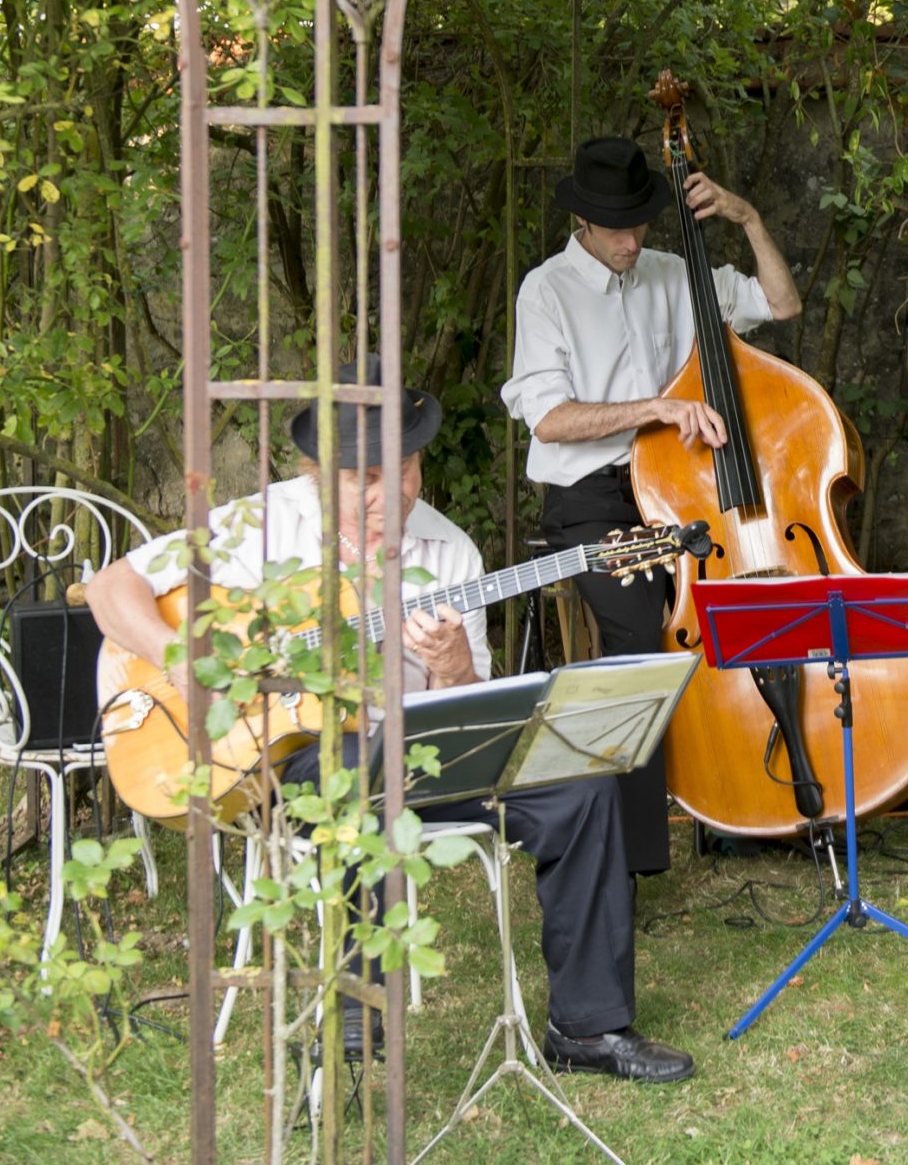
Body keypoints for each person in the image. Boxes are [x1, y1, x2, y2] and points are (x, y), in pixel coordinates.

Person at [82, 363, 694, 1082]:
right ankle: (354, 1005)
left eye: (402, 470)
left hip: (420, 751)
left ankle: (588, 1028)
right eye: (363, 480)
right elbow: (110, 586)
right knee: (350, 759)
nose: (389, 494)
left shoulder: (450, 553)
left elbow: (470, 707)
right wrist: (178, 651)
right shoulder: (261, 525)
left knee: (580, 784)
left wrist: (452, 665)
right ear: (320, 474)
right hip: (285, 757)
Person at [499, 135, 802, 874]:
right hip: (592, 495)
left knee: (749, 609)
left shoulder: (674, 271)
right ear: (584, 224)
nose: (631, 241)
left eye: (639, 225)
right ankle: (636, 858)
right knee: (641, 634)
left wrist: (749, 219)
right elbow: (549, 418)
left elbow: (782, 304)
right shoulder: (547, 291)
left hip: (683, 482)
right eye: (615, 229)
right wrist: (659, 409)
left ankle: (754, 802)